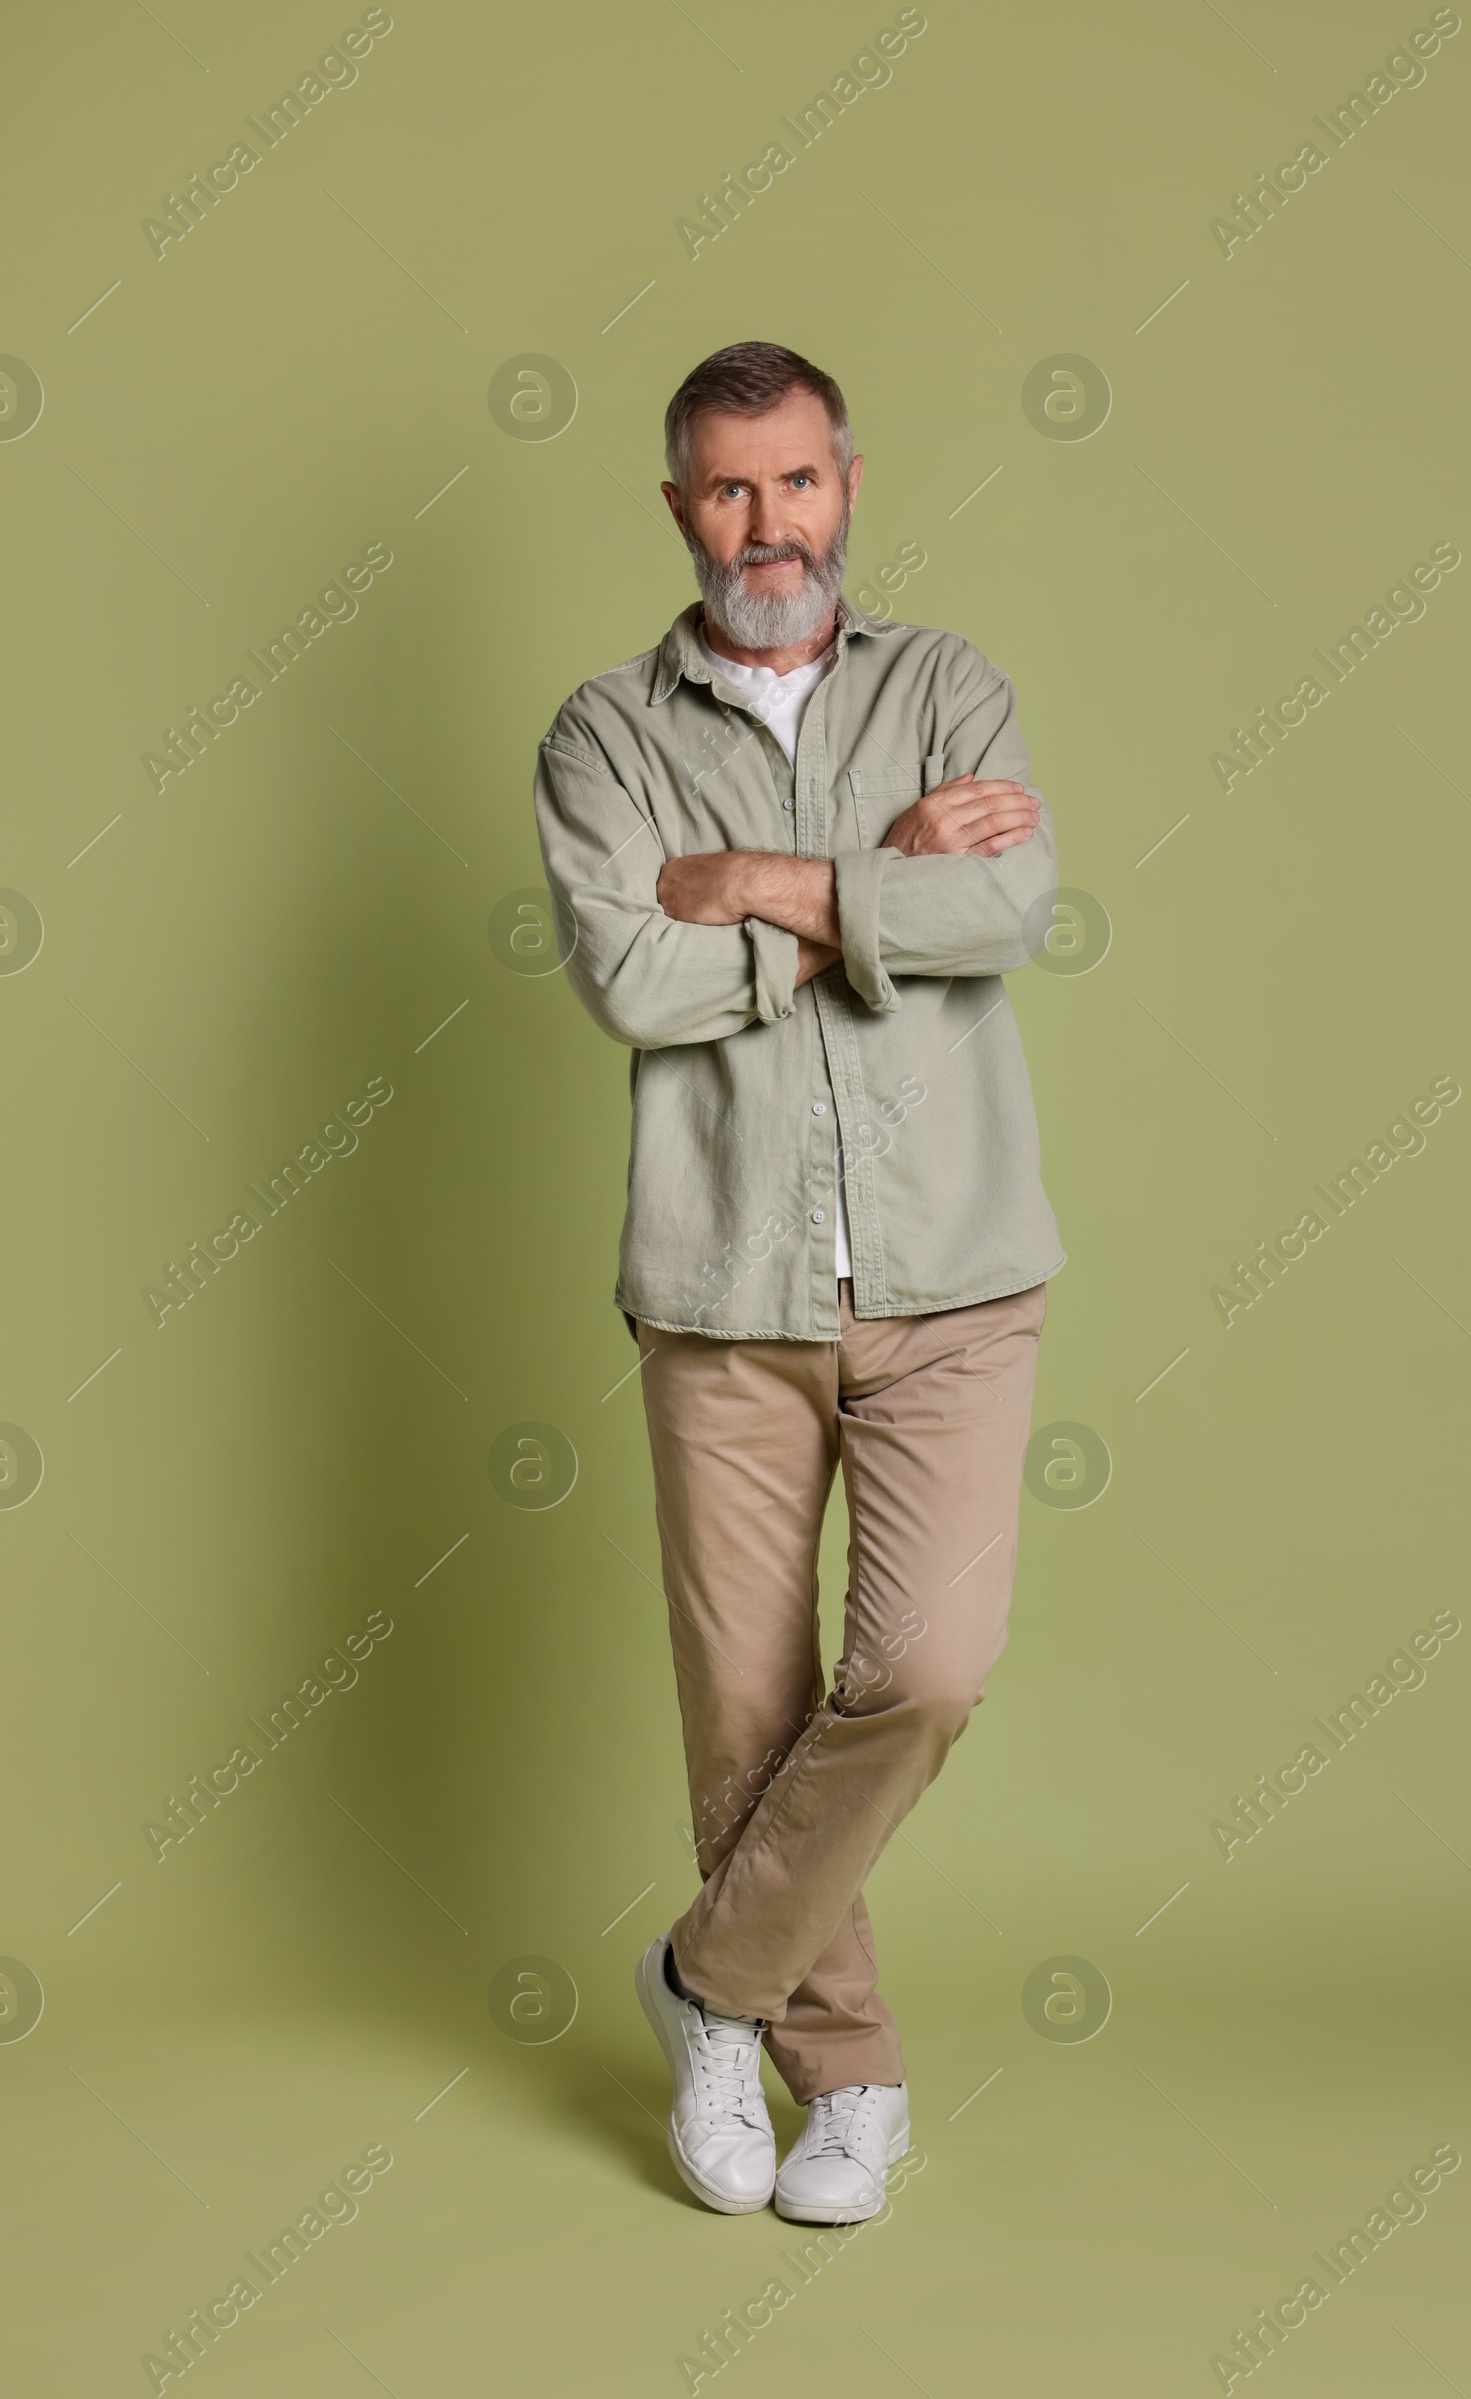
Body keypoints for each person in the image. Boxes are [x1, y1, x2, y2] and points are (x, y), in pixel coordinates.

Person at [534, 341, 1064, 2223]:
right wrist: (866, 892)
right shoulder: (603, 735)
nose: (773, 522)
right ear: (682, 508)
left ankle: (711, 1981)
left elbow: (1006, 907)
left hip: (955, 1281)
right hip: (721, 1295)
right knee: (746, 1721)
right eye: (731, 489)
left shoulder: (949, 686)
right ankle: (837, 2081)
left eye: (801, 481)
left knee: (921, 1669)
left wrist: (760, 879)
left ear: (850, 482)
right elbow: (631, 982)